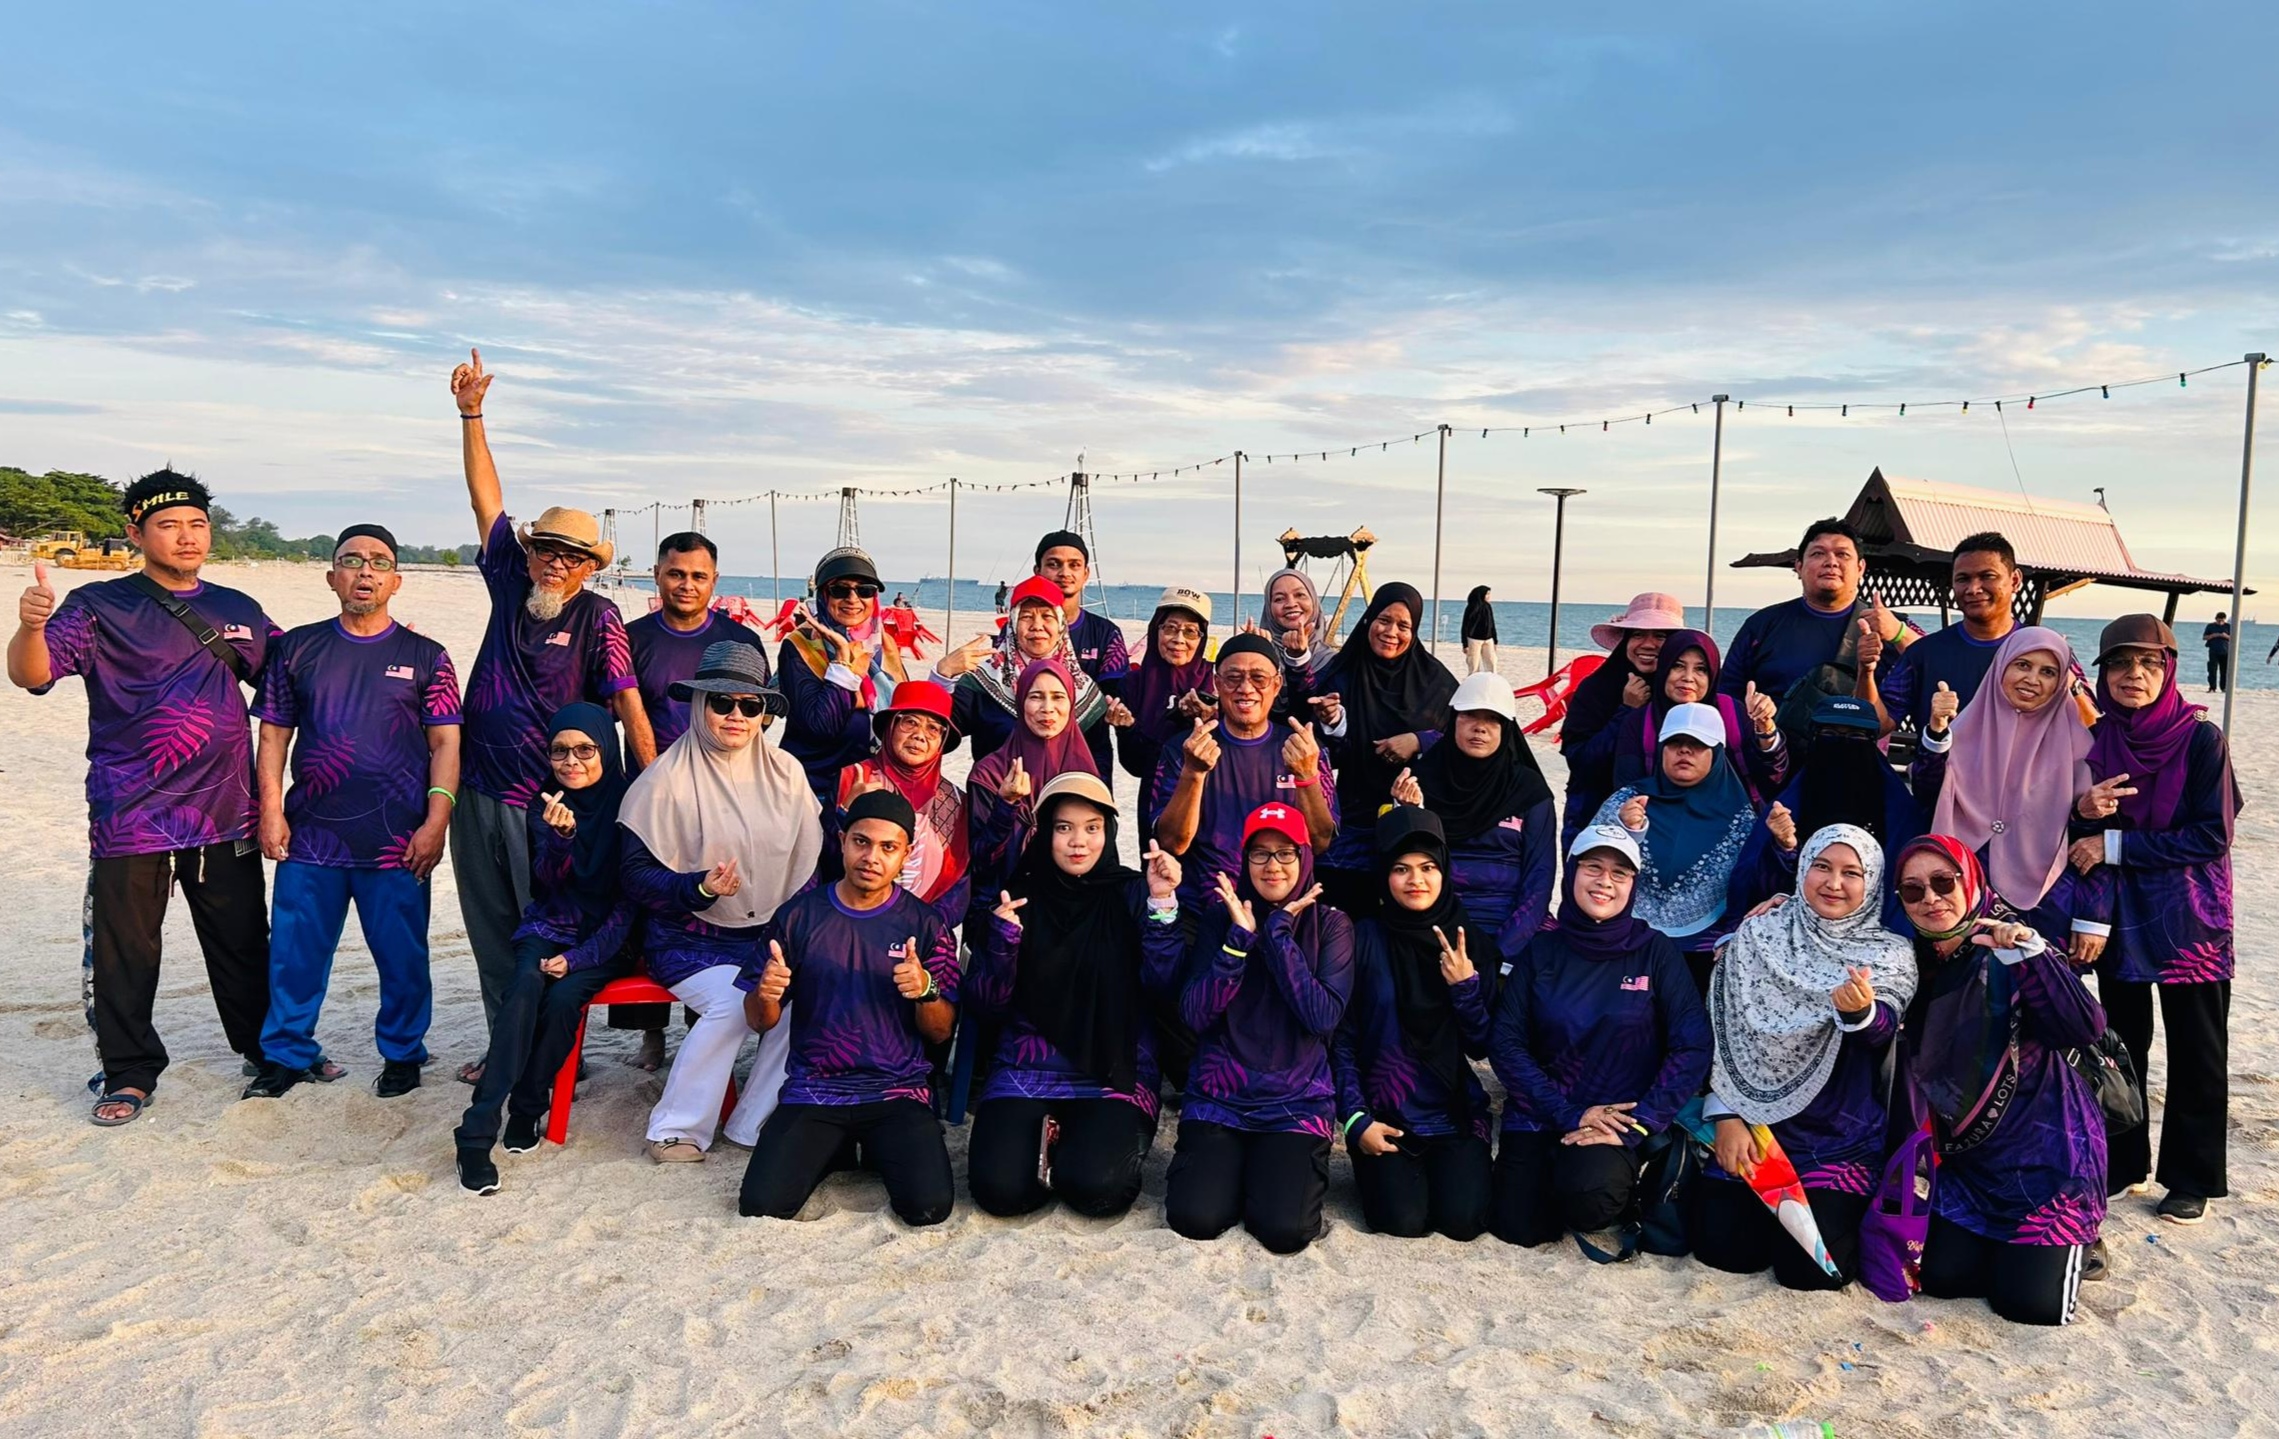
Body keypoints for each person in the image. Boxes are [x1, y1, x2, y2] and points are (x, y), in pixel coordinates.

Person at [10, 471, 281, 1126]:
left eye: (197, 524)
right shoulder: (98, 605)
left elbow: (295, 675)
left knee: (244, 944)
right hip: (131, 815)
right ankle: (129, 1073)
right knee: (126, 951)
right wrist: (29, 628)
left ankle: (267, 1052)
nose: (186, 537)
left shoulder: (239, 609)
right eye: (168, 525)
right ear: (135, 532)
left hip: (225, 812)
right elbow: (31, 674)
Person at [449, 350, 642, 1078]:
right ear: (529, 555)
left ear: (589, 567)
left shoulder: (598, 617)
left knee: (553, 925)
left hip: (552, 801)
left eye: (571, 556)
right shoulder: (509, 582)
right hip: (478, 787)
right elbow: (485, 501)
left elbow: (625, 701)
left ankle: (555, 1054)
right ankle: (506, 1043)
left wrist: (652, 781)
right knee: (491, 925)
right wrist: (472, 414)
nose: (556, 563)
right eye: (547, 551)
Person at [248, 524, 460, 1100]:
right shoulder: (298, 648)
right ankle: (287, 1054)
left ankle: (403, 1053)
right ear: (331, 576)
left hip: (397, 838)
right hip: (312, 835)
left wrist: (436, 822)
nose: (365, 571)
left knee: (403, 956)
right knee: (295, 954)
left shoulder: (427, 657)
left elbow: (446, 743)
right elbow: (274, 737)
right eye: (352, 560)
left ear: (395, 581)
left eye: (379, 562)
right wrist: (271, 810)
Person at [619, 643, 824, 1164]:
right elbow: (635, 877)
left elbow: (808, 863)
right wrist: (699, 888)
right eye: (721, 702)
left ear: (762, 715)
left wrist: (794, 935)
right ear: (698, 705)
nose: (736, 715)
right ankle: (675, 1127)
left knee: (810, 994)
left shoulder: (787, 773)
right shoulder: (663, 780)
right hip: (688, 940)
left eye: (750, 706)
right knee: (734, 1004)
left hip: (769, 937)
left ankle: (753, 1122)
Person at [1693, 824, 1917, 1291]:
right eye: (1821, 866)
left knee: (1809, 1273)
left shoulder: (1889, 953)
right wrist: (1725, 1115)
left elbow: (1880, 1031)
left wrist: (1859, 1012)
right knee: (1723, 1252)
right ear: (1802, 870)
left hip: (1837, 1136)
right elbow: (1720, 1029)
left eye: (1852, 873)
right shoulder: (1758, 933)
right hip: (1754, 1127)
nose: (1834, 883)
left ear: (1872, 880)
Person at [2070, 615, 2241, 1225]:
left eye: (2148, 663)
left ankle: (2192, 1178)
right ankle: (2122, 1163)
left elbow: (2211, 835)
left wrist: (2113, 845)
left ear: (2168, 670)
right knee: (2122, 1044)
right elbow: (2076, 829)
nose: (2133, 674)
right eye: (2120, 663)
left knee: (2198, 1050)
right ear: (2104, 674)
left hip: (2192, 920)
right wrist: (2083, 812)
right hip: (2123, 919)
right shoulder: (2096, 741)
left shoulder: (2201, 740)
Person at [1896, 836, 2107, 1326]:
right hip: (1968, 1163)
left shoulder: (2010, 941)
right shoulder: (1914, 959)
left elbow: (2083, 1026)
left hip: (2047, 1158)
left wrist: (2031, 956)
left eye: (1944, 882)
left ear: (1970, 880)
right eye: (1913, 890)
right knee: (1943, 1279)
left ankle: (2083, 1239)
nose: (1931, 899)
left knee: (2029, 1305)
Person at [963, 774, 1188, 1218]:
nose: (1078, 841)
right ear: (1045, 832)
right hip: (1028, 1067)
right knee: (1001, 1193)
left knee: (1098, 1191)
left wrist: (1163, 904)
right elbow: (986, 1004)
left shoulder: (1133, 892)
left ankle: (1071, 1140)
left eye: (1092, 827)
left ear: (1109, 832)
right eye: (1063, 827)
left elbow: (1165, 985)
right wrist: (1003, 944)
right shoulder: (1020, 895)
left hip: (1112, 1068)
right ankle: (1050, 1136)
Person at [734, 790, 961, 1227]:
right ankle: (836, 1149)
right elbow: (759, 1021)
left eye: (888, 847)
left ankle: (866, 1147)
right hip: (815, 1089)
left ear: (905, 855)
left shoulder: (925, 924)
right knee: (761, 1205)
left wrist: (926, 990)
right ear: (842, 841)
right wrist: (765, 993)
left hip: (896, 1090)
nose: (872, 857)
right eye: (861, 842)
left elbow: (939, 1032)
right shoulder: (799, 916)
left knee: (928, 1208)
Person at [1489, 826, 1710, 1248]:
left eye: (1619, 873)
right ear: (1572, 872)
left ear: (1633, 884)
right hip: (1543, 1110)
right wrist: (1568, 1112)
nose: (1605, 881)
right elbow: (1507, 1042)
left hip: (1617, 1119)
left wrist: (1642, 1122)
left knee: (1591, 1200)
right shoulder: (1542, 950)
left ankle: (1625, 1178)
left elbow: (1693, 1044)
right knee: (1517, 1227)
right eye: (1593, 867)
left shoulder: (1656, 952)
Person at [453, 704, 638, 1194]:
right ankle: (475, 1132)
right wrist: (561, 838)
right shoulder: (545, 802)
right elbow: (546, 885)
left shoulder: (632, 806)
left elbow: (629, 905)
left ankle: (527, 1108)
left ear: (606, 748)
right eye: (559, 751)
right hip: (551, 923)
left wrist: (577, 960)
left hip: (609, 939)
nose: (571, 761)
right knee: (522, 989)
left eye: (585, 749)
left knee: (562, 1000)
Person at [1167, 802, 1355, 1253]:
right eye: (1260, 853)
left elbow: (1322, 1017)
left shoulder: (1332, 924)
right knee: (1196, 1218)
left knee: (1284, 1230)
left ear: (1304, 857)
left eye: (1286, 853)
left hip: (1296, 1099)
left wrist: (1278, 935)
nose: (1273, 865)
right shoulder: (1220, 918)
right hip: (1220, 1098)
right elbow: (1194, 1014)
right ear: (1245, 859)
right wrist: (1238, 943)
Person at [615, 531, 771, 1067]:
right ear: (658, 575)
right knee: (652, 906)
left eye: (698, 576)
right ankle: (649, 1031)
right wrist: (652, 780)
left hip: (726, 793)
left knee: (714, 897)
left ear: (714, 581)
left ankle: (700, 1019)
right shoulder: (632, 637)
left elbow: (754, 717)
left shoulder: (740, 640)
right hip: (651, 788)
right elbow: (614, 709)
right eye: (676, 574)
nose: (687, 584)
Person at [1333, 808, 1499, 1240]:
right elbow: (1343, 1039)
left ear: (1444, 870)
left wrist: (1466, 988)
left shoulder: (1471, 942)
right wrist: (1356, 1119)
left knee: (1462, 1221)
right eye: (1401, 869)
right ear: (1384, 875)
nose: (1416, 880)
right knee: (1402, 1221)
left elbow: (1482, 1045)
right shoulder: (1363, 938)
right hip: (1384, 1112)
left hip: (1453, 1114)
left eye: (1428, 867)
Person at [1914, 627, 2109, 950]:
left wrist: (2093, 919)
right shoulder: (1962, 729)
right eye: (2022, 665)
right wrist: (1936, 731)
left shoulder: (2080, 746)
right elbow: (1926, 793)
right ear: (2000, 667)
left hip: (2046, 902)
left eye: (2048, 672)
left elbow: (2092, 838)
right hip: (1961, 890)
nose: (2032, 679)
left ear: (2061, 681)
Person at [1151, 633, 1338, 928]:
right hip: (1206, 911)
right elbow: (1173, 843)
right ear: (1217, 683)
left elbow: (1320, 842)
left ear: (1276, 684)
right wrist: (1193, 773)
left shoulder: (1303, 749)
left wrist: (1306, 776)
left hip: (1286, 913)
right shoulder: (1186, 749)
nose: (1246, 688)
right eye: (1233, 678)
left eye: (1259, 678)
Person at [1591, 703, 1762, 990]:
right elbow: (1585, 867)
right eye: (1675, 743)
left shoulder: (1741, 819)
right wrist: (1623, 832)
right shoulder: (1627, 802)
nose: (1684, 751)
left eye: (1697, 744)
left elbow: (1753, 888)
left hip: (1706, 952)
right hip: (1624, 942)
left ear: (1717, 753)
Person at [1311, 583, 1458, 914]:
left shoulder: (1436, 681)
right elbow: (1325, 755)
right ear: (1368, 620)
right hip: (1351, 819)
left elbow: (1462, 741)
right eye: (1384, 620)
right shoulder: (1343, 674)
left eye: (1403, 625)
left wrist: (1418, 740)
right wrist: (1334, 723)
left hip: (1415, 820)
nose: (1391, 632)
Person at [1389, 671, 1556, 954]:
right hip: (1430, 920)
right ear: (1454, 719)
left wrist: (1502, 952)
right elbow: (1404, 865)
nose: (1480, 728)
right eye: (1469, 715)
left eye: (1492, 719)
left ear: (1506, 729)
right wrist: (1408, 814)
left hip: (1508, 923)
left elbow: (1539, 880)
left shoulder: (1529, 790)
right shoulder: (1421, 781)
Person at [1728, 694, 1923, 929]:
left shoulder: (1897, 807)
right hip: (1796, 922)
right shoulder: (1789, 803)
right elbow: (1753, 885)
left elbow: (1904, 881)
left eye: (1857, 737)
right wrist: (1784, 848)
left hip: (1874, 928)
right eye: (1829, 735)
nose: (1843, 745)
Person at [1719, 518, 1913, 749]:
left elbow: (1935, 663)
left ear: (1860, 568)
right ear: (1798, 566)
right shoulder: (1762, 624)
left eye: (1843, 555)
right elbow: (1726, 696)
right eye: (1818, 554)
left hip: (1855, 761)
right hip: (1772, 757)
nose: (1831, 562)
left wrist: (1899, 634)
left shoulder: (1889, 627)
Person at [1564, 628, 1787, 827]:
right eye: (1677, 666)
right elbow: (1628, 788)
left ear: (1712, 675)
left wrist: (1766, 729)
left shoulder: (1733, 713)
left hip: (1731, 828)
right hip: (1658, 831)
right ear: (1663, 669)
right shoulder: (1639, 721)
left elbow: (1773, 776)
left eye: (1701, 669)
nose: (1688, 678)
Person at [942, 575, 1131, 771]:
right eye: (1026, 617)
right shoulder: (983, 681)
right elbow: (940, 738)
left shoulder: (1084, 691)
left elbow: (1098, 758)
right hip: (992, 788)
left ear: (1060, 625)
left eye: (1047, 616)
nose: (1037, 626)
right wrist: (943, 675)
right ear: (1013, 624)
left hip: (1065, 790)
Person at [829, 679, 971, 930]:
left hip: (924, 930)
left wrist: (928, 926)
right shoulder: (851, 779)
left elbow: (959, 881)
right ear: (891, 726)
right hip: (848, 923)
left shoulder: (955, 800)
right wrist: (846, 812)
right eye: (910, 722)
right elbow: (822, 860)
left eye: (933, 729)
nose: (919, 736)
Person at [777, 546, 911, 802]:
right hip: (813, 790)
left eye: (865, 590)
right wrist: (842, 663)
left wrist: (942, 676)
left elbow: (903, 710)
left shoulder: (883, 644)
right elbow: (820, 726)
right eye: (840, 590)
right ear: (823, 595)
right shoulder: (801, 645)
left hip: (872, 787)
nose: (853, 598)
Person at [966, 658, 1104, 903]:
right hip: (1002, 904)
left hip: (1070, 904)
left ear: (1072, 703)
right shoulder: (990, 774)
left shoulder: (1084, 773)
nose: (1047, 708)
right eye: (1036, 697)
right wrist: (1005, 805)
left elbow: (1100, 853)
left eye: (1058, 697)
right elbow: (979, 861)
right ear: (1020, 703)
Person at [1860, 532, 2020, 735]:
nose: (1973, 589)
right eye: (1963, 579)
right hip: (1938, 757)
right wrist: (1866, 671)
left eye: (1987, 576)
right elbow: (1878, 725)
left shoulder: (2040, 650)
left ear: (2015, 580)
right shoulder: (1924, 653)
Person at [1559, 593, 1685, 848]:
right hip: (1595, 816)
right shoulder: (1596, 689)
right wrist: (1626, 711)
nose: (1647, 644)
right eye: (1637, 634)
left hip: (1668, 822)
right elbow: (1581, 762)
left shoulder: (1685, 693)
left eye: (1660, 636)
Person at [1118, 587, 1217, 822]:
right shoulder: (1133, 683)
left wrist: (1209, 718)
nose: (1179, 640)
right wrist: (1126, 729)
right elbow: (1134, 766)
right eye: (1170, 628)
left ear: (1202, 638)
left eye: (1190, 631)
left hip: (1210, 796)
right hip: (1155, 797)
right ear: (1156, 630)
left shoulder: (1216, 679)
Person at [1029, 529, 1130, 696]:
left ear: (1085, 573)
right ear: (1037, 571)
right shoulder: (1018, 631)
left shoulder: (1107, 633)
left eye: (1074, 565)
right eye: (1053, 564)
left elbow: (1113, 694)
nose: (1064, 573)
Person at [1258, 567, 1337, 720]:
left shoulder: (1332, 662)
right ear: (1268, 608)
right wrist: (1254, 654)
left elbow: (1309, 713)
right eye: (1279, 599)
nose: (1291, 604)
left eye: (1300, 595)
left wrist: (1298, 659)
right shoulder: (1261, 649)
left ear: (1313, 601)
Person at [1460, 586, 1498, 675]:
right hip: (1474, 640)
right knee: (1474, 666)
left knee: (1492, 663)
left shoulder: (1488, 606)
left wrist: (1495, 640)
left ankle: (1492, 681)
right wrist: (1465, 644)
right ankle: (1472, 682)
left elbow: (1492, 623)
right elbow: (1465, 626)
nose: (1489, 596)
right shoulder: (1471, 607)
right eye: (1487, 594)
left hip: (1488, 639)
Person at [2201, 612, 2232, 692]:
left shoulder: (2228, 626)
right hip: (2213, 651)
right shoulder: (2210, 626)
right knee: (2212, 670)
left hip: (2225, 651)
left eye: (2222, 620)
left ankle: (2223, 687)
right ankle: (2212, 687)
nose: (2220, 622)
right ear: (2216, 619)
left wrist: (2225, 636)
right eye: (2219, 620)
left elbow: (2233, 638)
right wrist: (2213, 635)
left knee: (2224, 671)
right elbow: (2204, 637)